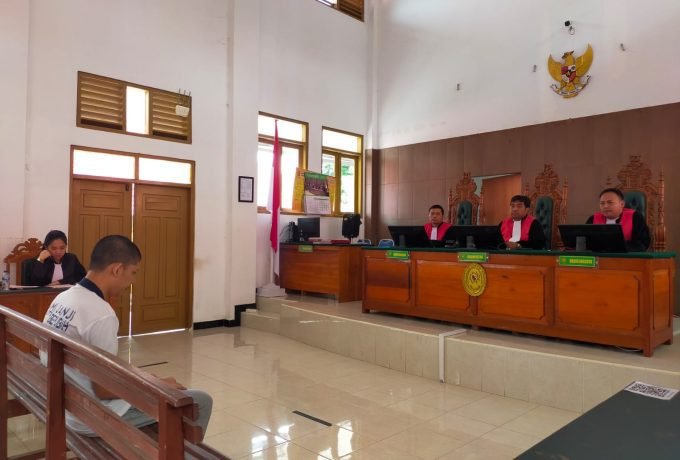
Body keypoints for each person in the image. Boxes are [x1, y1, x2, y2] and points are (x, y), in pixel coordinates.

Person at [41, 235, 212, 439]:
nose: (133, 281)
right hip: (91, 417)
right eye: (133, 272)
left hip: (67, 403)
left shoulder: (63, 297)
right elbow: (104, 389)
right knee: (200, 400)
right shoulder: (101, 314)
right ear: (117, 269)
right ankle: (172, 451)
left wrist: (145, 379)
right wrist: (156, 386)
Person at [586, 188, 650, 251]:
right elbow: (584, 242)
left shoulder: (635, 217)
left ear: (622, 204)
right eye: (602, 203)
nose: (605, 206)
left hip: (625, 256)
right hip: (598, 256)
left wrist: (616, 246)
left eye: (610, 202)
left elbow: (643, 244)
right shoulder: (593, 218)